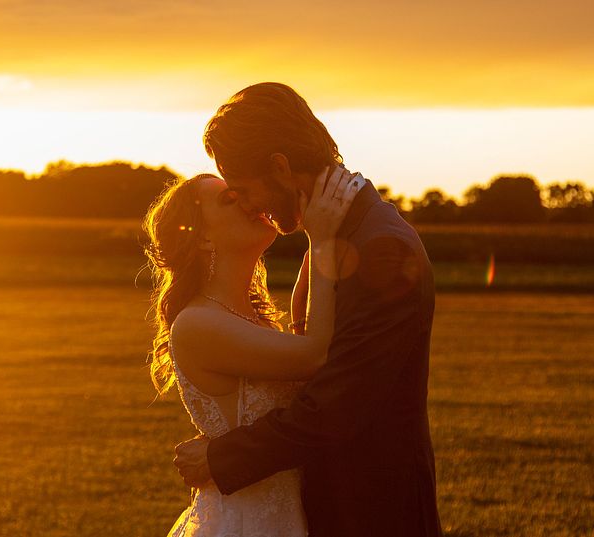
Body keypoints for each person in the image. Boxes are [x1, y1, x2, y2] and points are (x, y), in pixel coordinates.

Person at [173, 82, 443, 537]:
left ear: (279, 166)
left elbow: (336, 407)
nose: (248, 206)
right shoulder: (346, 236)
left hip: (371, 512)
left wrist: (223, 456)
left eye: (242, 189)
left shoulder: (379, 248)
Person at [143, 166, 361, 536]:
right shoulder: (198, 323)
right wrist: (321, 240)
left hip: (288, 516)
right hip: (245, 523)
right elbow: (315, 357)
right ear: (203, 239)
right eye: (231, 199)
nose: (249, 202)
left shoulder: (250, 317)